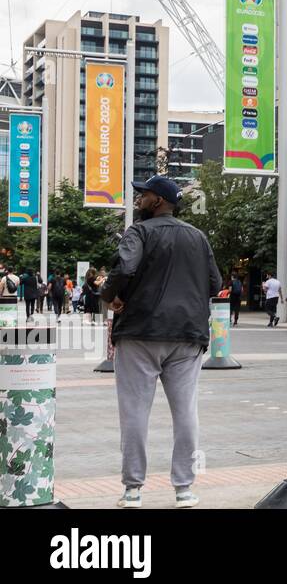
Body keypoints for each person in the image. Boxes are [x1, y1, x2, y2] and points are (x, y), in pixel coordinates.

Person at [99, 175, 221, 509]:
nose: (139, 199)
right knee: (186, 412)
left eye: (144, 195)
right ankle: (184, 489)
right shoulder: (198, 237)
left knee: (135, 411)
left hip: (140, 332)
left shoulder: (138, 232)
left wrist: (109, 296)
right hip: (187, 335)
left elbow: (124, 268)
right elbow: (215, 282)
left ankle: (133, 490)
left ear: (159, 201)